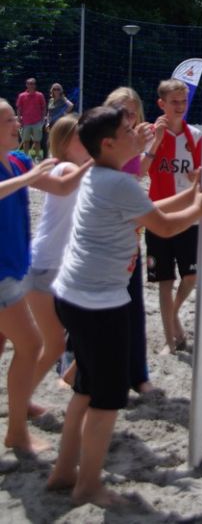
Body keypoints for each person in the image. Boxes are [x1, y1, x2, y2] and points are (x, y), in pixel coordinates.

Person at [47, 105, 202, 507]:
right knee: (106, 399)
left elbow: (147, 212)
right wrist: (201, 207)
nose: (137, 134)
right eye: (128, 131)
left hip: (72, 295)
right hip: (99, 304)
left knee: (85, 389)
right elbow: (164, 226)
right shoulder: (117, 183)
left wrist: (190, 195)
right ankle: (88, 484)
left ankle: (64, 471)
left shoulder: (97, 173)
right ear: (108, 144)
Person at [0, 98, 89, 454]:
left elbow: (62, 187)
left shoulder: (20, 160)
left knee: (25, 345)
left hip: (18, 265)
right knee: (33, 345)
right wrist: (26, 179)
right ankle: (17, 433)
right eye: (9, 119)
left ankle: (19, 409)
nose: (17, 123)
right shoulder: (22, 169)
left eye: (15, 118)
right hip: (7, 272)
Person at [27, 114, 91, 400]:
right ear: (64, 144)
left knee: (61, 338)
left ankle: (30, 394)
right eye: (80, 136)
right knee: (56, 340)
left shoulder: (76, 169)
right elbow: (72, 181)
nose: (87, 140)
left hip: (58, 265)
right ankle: (25, 396)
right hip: (47, 265)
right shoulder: (65, 167)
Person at [104, 86, 159, 393]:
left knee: (133, 306)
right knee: (98, 311)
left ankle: (138, 374)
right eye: (122, 112)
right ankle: (75, 369)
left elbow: (136, 173)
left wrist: (149, 147)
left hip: (129, 235)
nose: (129, 117)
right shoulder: (102, 142)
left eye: (133, 112)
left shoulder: (132, 142)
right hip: (104, 237)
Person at [145, 78, 202, 354]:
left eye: (183, 101)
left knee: (191, 277)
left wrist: (197, 177)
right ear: (162, 104)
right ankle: (170, 341)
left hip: (187, 216)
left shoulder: (196, 136)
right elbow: (140, 169)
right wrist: (155, 142)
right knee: (164, 282)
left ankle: (174, 315)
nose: (180, 106)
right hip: (158, 214)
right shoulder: (150, 134)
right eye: (174, 102)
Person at [16, 77, 47, 161]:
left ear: (35, 85)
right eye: (29, 83)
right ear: (26, 85)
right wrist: (19, 119)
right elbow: (19, 108)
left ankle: (37, 157)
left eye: (33, 83)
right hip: (25, 122)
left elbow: (44, 108)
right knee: (26, 141)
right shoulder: (22, 96)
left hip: (37, 122)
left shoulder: (40, 95)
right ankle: (26, 157)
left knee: (37, 141)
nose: (31, 85)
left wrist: (42, 120)